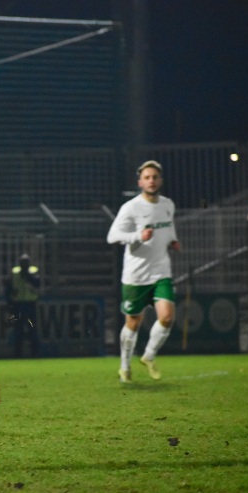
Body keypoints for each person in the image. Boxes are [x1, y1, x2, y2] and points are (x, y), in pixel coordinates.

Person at [107, 160, 181, 382]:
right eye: (147, 177)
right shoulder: (130, 208)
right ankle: (124, 367)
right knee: (133, 323)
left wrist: (173, 241)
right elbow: (112, 237)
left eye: (155, 177)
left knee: (167, 317)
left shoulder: (168, 204)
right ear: (140, 182)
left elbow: (168, 228)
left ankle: (148, 356)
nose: (151, 181)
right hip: (136, 275)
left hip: (161, 271)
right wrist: (138, 236)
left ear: (161, 181)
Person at [5, 253, 41, 358]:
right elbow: (9, 288)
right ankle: (18, 353)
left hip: (30, 304)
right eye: (22, 262)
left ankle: (35, 353)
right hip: (18, 305)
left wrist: (27, 275)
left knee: (32, 329)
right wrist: (10, 302)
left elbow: (37, 284)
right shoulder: (14, 272)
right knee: (18, 330)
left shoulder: (33, 271)